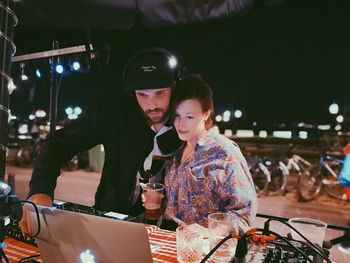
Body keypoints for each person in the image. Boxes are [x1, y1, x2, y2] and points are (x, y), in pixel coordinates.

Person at [19, 48, 182, 233]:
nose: (152, 105)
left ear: (174, 86)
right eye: (142, 95)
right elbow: (58, 144)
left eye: (160, 93)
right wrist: (40, 191)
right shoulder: (115, 115)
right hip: (112, 221)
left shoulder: (188, 120)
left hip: (170, 229)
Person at [155, 74, 257, 231]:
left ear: (206, 113)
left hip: (204, 247)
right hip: (168, 240)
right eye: (176, 115)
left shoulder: (223, 152)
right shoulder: (176, 150)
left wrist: (209, 232)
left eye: (190, 116)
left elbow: (243, 214)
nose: (181, 124)